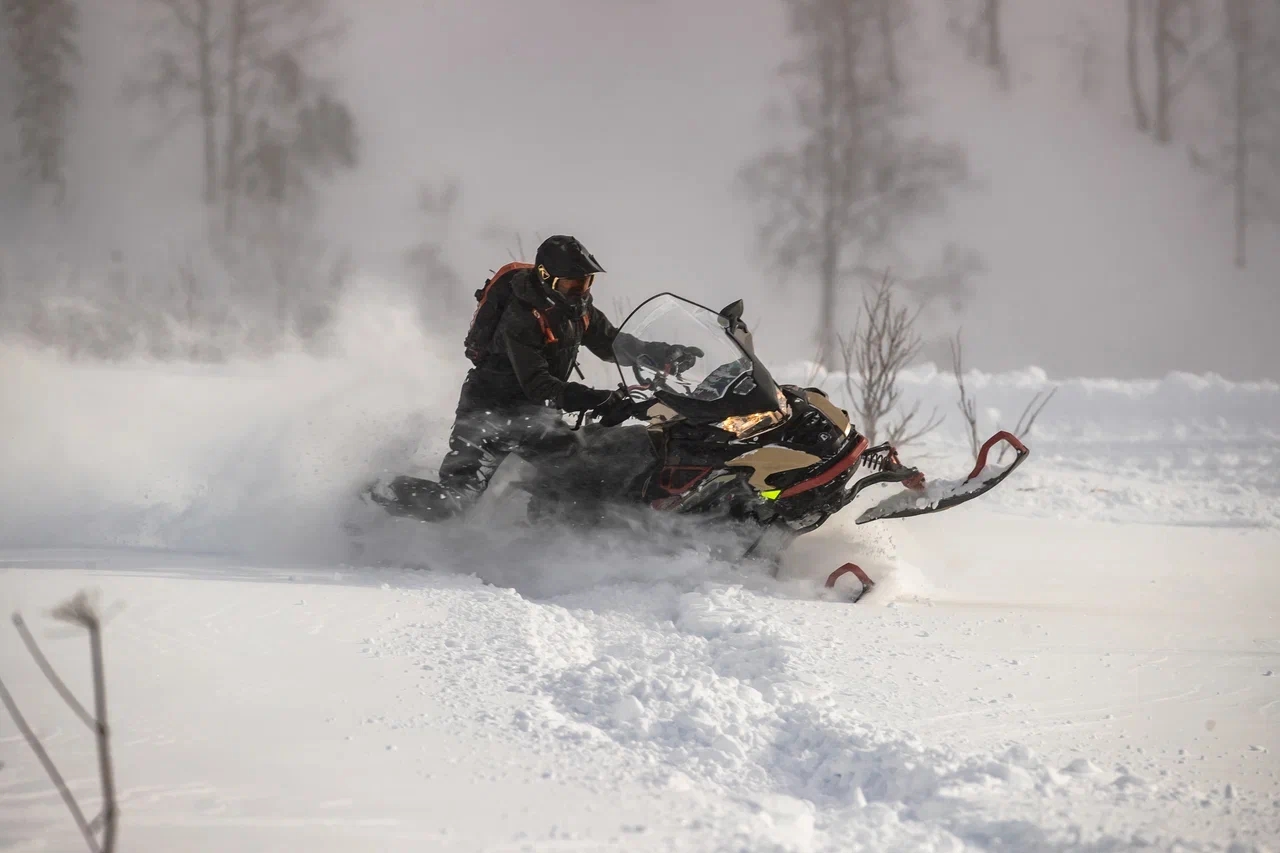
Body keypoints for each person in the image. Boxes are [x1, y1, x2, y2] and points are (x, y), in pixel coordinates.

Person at [368, 235, 700, 521]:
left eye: (586, 283)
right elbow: (539, 385)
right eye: (571, 284)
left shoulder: (578, 311)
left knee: (588, 471)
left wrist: (663, 354)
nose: (579, 291)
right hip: (489, 417)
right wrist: (598, 399)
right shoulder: (522, 317)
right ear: (546, 278)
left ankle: (556, 533)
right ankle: (373, 492)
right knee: (454, 503)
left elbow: (612, 344)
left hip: (535, 418)